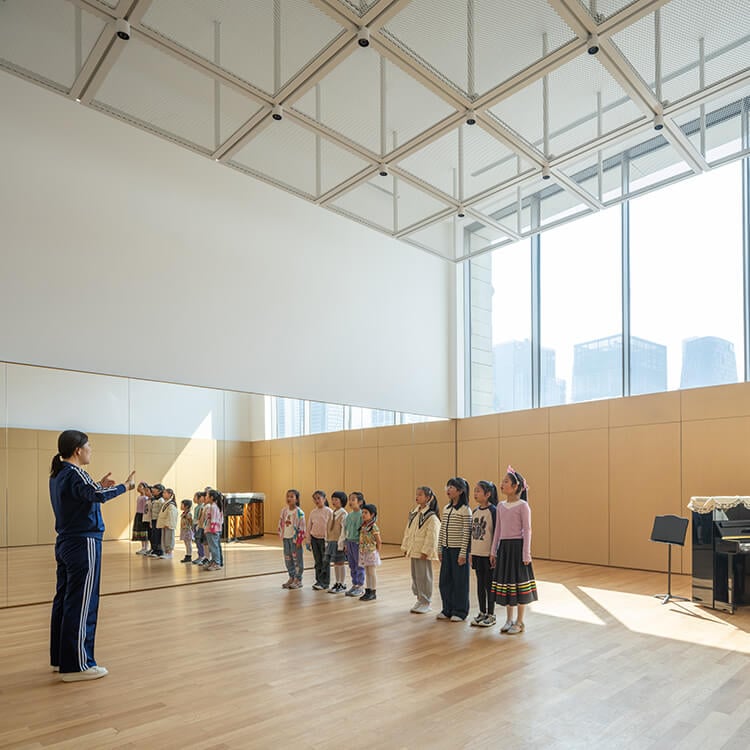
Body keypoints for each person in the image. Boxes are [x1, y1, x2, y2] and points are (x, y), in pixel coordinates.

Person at [49, 429, 135, 682]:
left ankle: (61, 659)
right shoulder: (74, 474)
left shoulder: (61, 474)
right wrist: (124, 487)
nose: (90, 450)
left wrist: (97, 485)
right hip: (82, 542)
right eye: (88, 446)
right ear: (78, 450)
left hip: (66, 542)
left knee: (65, 601)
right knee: (83, 602)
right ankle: (78, 665)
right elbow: (95, 497)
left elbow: (85, 495)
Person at [490, 466, 537, 635]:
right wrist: (494, 551)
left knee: (519, 584)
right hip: (504, 549)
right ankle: (509, 619)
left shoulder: (523, 506)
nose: (502, 484)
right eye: (502, 481)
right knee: (508, 584)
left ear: (516, 486)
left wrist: (526, 553)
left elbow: (527, 530)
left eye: (506, 481)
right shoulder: (501, 506)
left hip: (518, 549)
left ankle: (520, 621)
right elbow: (498, 530)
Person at [437, 477, 472, 622]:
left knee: (460, 582)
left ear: (460, 491)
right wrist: (439, 548)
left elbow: (466, 533)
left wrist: (463, 553)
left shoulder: (466, 510)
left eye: (452, 487)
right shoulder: (446, 508)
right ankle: (447, 609)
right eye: (448, 486)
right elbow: (442, 530)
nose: (448, 489)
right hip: (446, 549)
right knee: (445, 580)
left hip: (458, 550)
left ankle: (460, 611)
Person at [400, 486, 441, 614]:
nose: (417, 497)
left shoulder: (431, 516)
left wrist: (426, 551)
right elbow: (408, 531)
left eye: (420, 495)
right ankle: (419, 598)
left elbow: (432, 536)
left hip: (423, 552)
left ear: (428, 498)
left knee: (424, 576)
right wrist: (406, 546)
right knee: (416, 576)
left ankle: (426, 601)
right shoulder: (414, 513)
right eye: (416, 494)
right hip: (414, 549)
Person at [470, 480, 498, 627]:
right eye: (474, 491)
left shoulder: (493, 511)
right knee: (480, 585)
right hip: (476, 554)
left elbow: (496, 534)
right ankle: (482, 612)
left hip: (488, 555)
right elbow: (471, 534)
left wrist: (494, 553)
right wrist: (470, 552)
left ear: (488, 494)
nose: (475, 494)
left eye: (478, 491)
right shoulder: (474, 512)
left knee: (489, 585)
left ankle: (491, 614)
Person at [278, 489, 305, 589]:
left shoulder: (299, 513)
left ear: (297, 499)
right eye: (287, 496)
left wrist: (299, 540)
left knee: (297, 559)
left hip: (294, 540)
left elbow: (302, 528)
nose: (289, 498)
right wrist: (281, 534)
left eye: (291, 497)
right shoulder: (284, 511)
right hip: (286, 538)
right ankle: (291, 577)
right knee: (288, 558)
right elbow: (281, 523)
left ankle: (298, 579)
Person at [307, 490, 333, 591]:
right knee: (318, 561)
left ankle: (325, 583)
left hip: (324, 540)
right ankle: (318, 581)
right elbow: (309, 526)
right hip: (314, 539)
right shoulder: (313, 512)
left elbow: (330, 528)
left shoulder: (329, 512)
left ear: (324, 499)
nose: (317, 500)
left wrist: (328, 541)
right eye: (315, 498)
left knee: (325, 561)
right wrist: (308, 540)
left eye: (319, 498)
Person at [325, 491, 349, 594]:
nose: (333, 502)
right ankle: (337, 582)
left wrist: (342, 543)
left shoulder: (343, 514)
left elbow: (344, 530)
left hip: (339, 542)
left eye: (336, 500)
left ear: (342, 501)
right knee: (335, 563)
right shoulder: (333, 513)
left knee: (340, 563)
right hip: (332, 541)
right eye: (332, 499)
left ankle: (342, 583)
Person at [358, 503, 382, 601]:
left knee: (371, 572)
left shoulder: (373, 527)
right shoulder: (363, 526)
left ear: (372, 515)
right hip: (364, 551)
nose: (363, 514)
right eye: (362, 512)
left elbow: (379, 541)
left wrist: (376, 552)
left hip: (371, 552)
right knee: (367, 572)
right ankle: (368, 590)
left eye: (366, 512)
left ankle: (373, 591)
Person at [343, 492, 365, 597]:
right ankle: (355, 584)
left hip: (357, 543)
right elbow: (346, 529)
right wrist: (345, 543)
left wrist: (361, 543)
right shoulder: (349, 515)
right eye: (350, 499)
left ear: (360, 502)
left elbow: (364, 530)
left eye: (353, 499)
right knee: (352, 565)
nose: (350, 502)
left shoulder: (362, 515)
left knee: (359, 565)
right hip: (350, 542)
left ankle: (360, 586)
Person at [203, 490, 224, 571]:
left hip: (212, 530)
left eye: (207, 496)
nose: (205, 497)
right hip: (211, 529)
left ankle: (217, 563)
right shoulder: (214, 506)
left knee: (214, 547)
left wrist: (212, 529)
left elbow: (214, 519)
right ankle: (214, 561)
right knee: (213, 547)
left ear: (211, 498)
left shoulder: (213, 507)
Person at [157, 488, 179, 560]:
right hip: (164, 524)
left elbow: (171, 515)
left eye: (165, 493)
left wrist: (168, 523)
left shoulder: (171, 504)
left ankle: (169, 553)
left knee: (169, 539)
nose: (163, 494)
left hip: (168, 525)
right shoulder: (166, 503)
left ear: (169, 494)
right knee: (164, 539)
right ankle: (166, 552)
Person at [132, 482, 150, 555]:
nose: (138, 488)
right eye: (138, 486)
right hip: (138, 514)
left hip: (143, 515)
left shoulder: (145, 498)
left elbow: (146, 508)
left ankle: (146, 548)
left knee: (144, 531)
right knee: (140, 531)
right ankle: (143, 547)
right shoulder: (139, 497)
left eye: (140, 487)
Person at [147, 484, 165, 557]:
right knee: (153, 535)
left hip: (158, 520)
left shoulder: (161, 500)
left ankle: (159, 551)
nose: (152, 490)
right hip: (154, 519)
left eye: (155, 489)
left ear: (159, 491)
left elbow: (162, 511)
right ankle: (154, 550)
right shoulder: (154, 499)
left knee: (158, 535)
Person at [192, 492, 207, 564]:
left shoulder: (202, 507)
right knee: (197, 542)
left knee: (200, 542)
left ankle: (202, 556)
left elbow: (200, 518)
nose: (193, 499)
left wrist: (198, 525)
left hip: (199, 526)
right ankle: (200, 556)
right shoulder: (196, 507)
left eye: (195, 497)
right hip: (195, 525)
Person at [179, 499, 194, 563]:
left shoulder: (189, 514)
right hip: (184, 530)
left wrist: (192, 529)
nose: (181, 506)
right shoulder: (183, 513)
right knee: (186, 543)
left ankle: (189, 555)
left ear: (186, 506)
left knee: (188, 543)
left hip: (187, 530)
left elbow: (191, 522)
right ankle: (187, 554)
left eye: (182, 504)